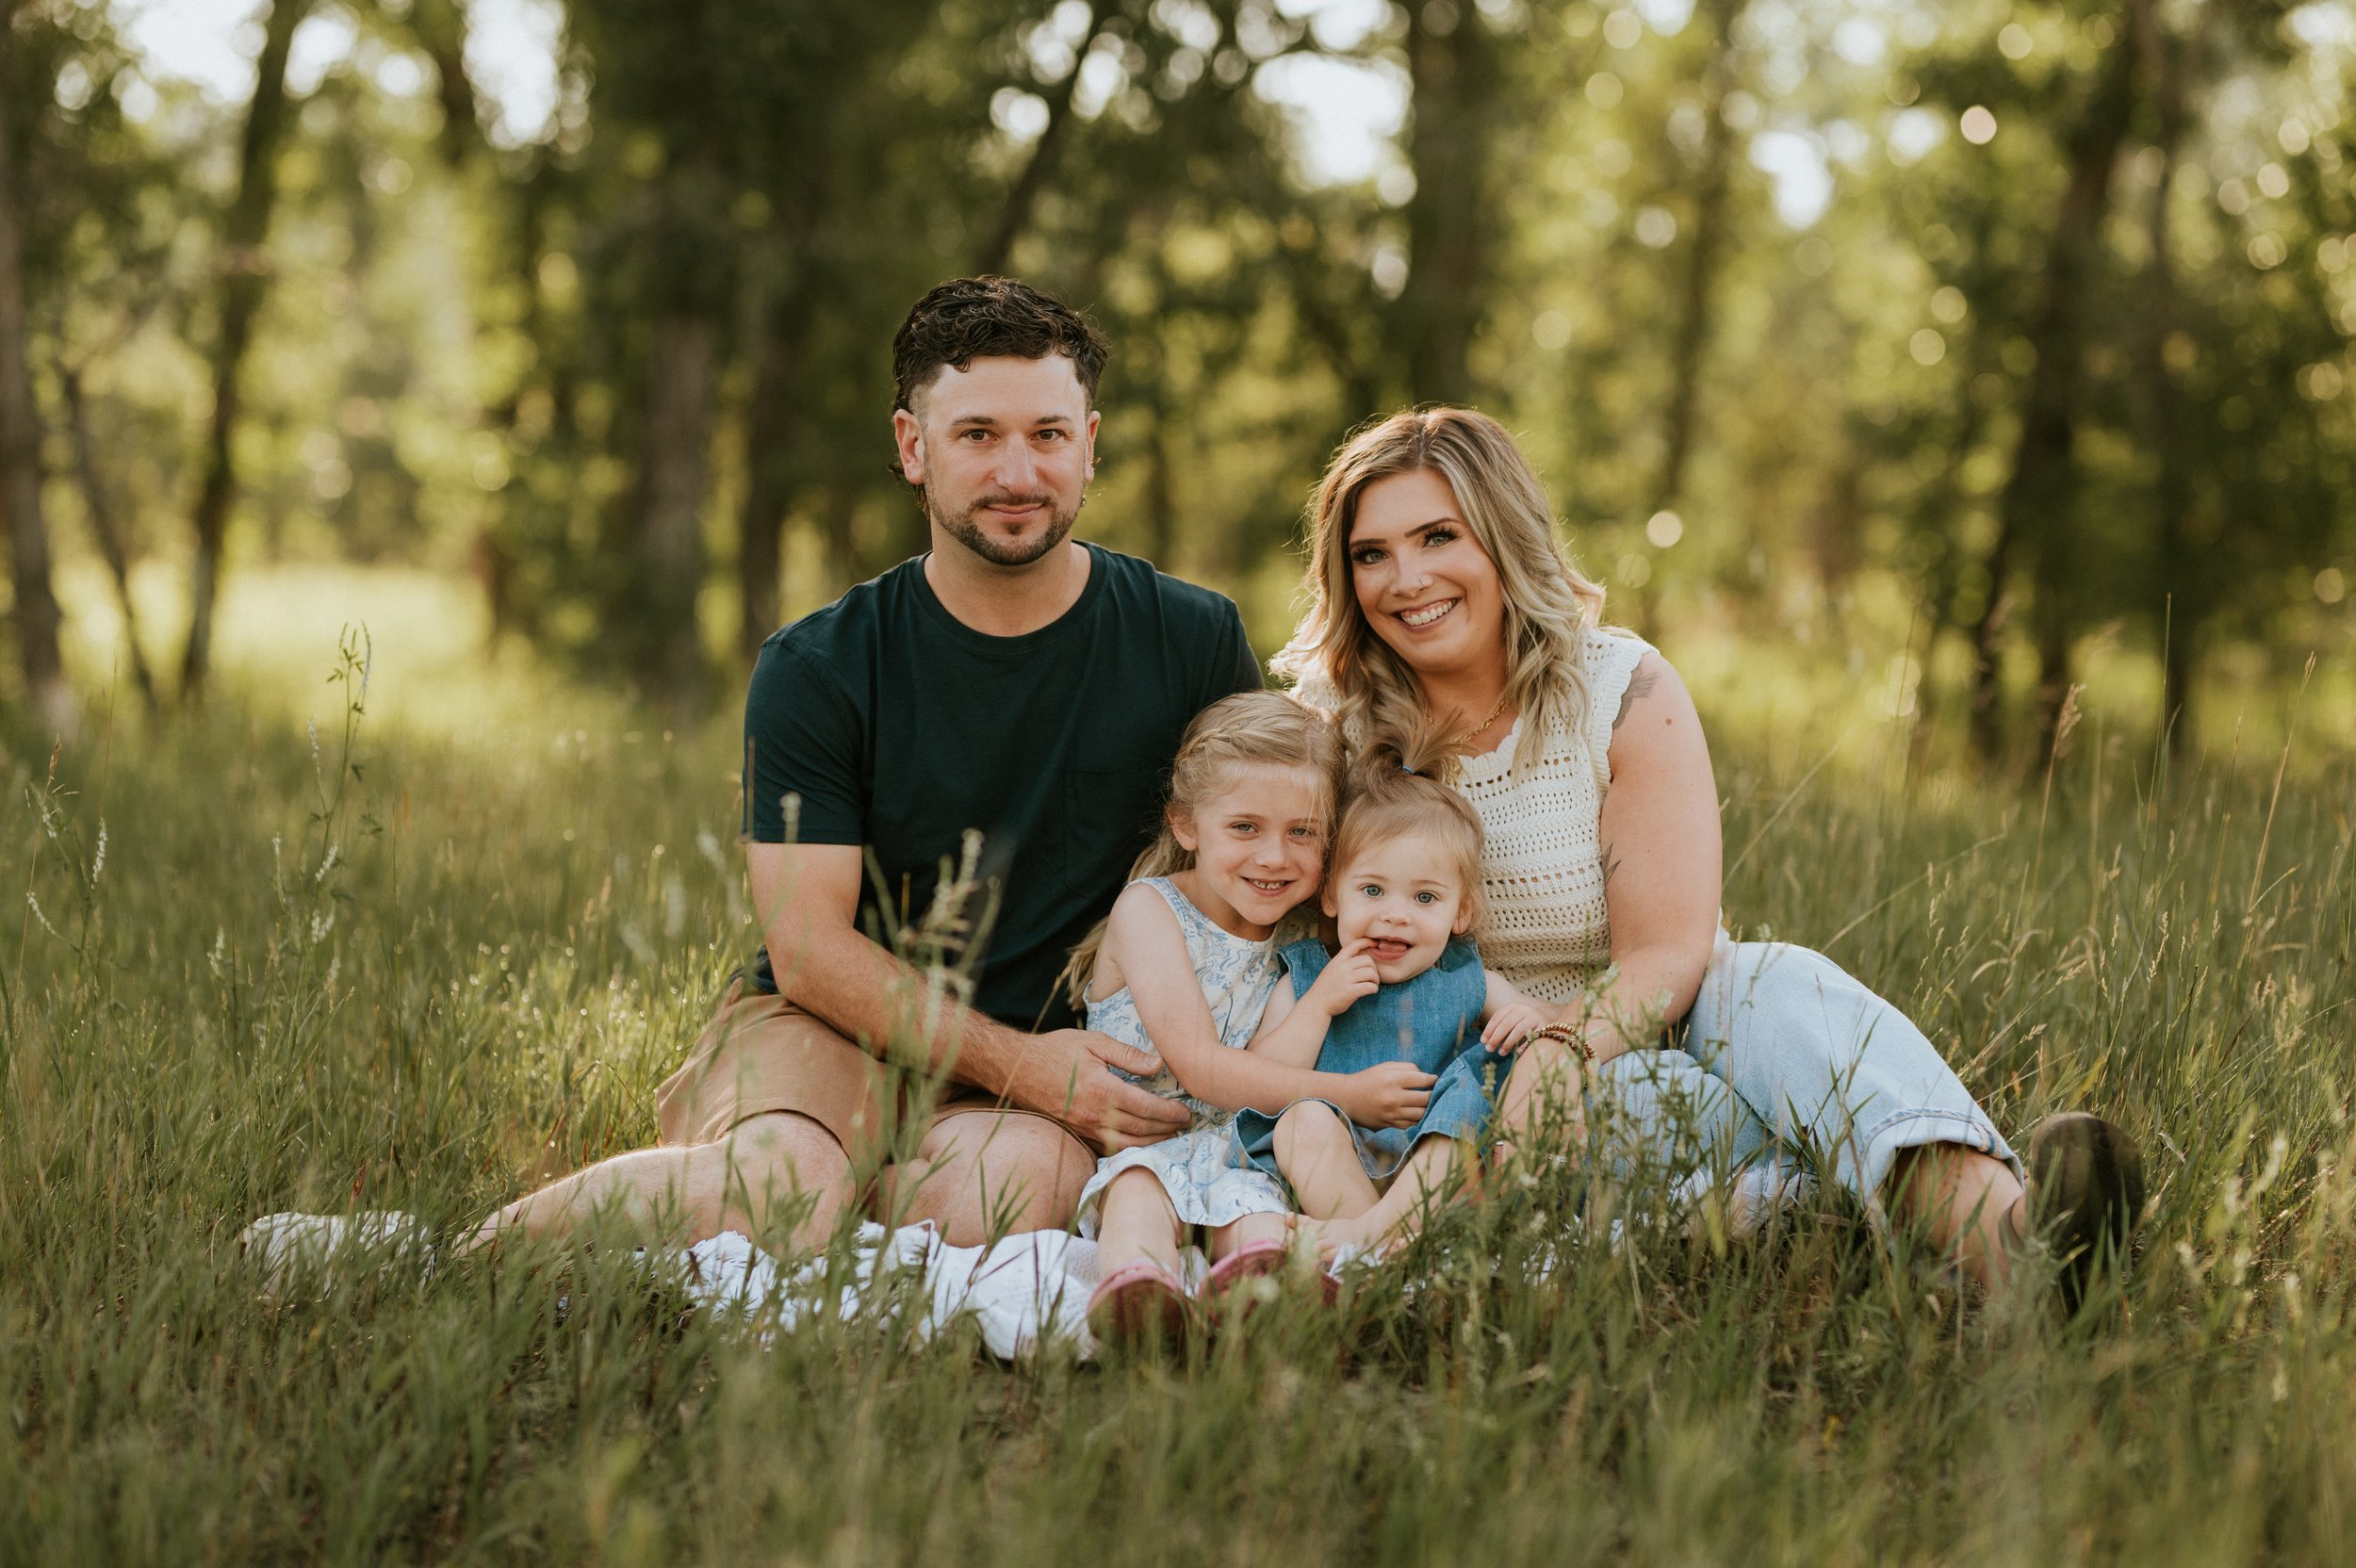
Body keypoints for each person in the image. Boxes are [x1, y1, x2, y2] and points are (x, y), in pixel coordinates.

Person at [1272, 407, 2146, 1309]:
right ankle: (1836, 1211)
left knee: (1774, 983)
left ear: (1502, 537)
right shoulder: (1329, 728)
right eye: (1371, 553)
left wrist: (1564, 1041)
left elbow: (1667, 954)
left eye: (1438, 536)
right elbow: (1242, 900)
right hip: (1450, 1084)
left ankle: (2014, 1244)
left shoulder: (1617, 686)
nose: (1405, 578)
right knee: (1681, 1119)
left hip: (1648, 1026)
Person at [459, 277, 1262, 1257]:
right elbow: (804, 944)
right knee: (779, 1196)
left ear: (1090, 445)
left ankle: (844, 1203)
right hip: (837, 1020)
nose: (1018, 471)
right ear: (911, 447)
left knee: (1005, 1204)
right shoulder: (819, 663)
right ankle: (434, 1255)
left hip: (1072, 1048)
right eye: (976, 435)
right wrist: (1018, 1062)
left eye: (1047, 435)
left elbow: (1261, 864)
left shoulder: (1192, 638)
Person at [1063, 691, 1425, 1340]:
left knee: (1258, 1217)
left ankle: (1265, 1300)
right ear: (1185, 825)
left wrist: (1316, 1003)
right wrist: (1350, 1096)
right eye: (1244, 828)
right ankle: (1141, 1296)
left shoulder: (1295, 938)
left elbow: (1261, 1074)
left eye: (1302, 833)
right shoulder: (1150, 912)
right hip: (1141, 1146)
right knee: (1140, 1197)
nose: (1274, 857)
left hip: (1239, 1156)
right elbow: (1202, 1069)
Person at [1231, 736, 1558, 1257]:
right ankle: (1389, 1249)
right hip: (1341, 1166)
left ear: (1462, 913)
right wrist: (1319, 1005)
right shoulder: (1310, 975)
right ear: (1332, 895)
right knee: (1299, 1122)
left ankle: (1373, 1240)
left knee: (1476, 1082)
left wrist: (1522, 1020)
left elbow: (1548, 1029)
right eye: (1373, 890)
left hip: (1440, 1168)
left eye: (1425, 897)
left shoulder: (1468, 978)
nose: (1395, 914)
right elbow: (1261, 1082)